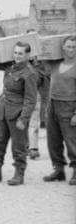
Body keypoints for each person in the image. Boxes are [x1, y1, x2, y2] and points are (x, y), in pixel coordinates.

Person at [0, 42, 37, 186]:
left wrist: (24, 119)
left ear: (27, 55)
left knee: (19, 146)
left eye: (21, 53)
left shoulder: (29, 73)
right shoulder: (10, 67)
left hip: (17, 114)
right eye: (16, 53)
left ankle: (19, 174)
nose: (17, 56)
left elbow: (31, 99)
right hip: (2, 111)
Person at [43, 35, 76, 185]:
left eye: (74, 47)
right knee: (53, 140)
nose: (71, 49)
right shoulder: (55, 64)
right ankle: (59, 170)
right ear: (63, 47)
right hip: (53, 105)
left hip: (69, 106)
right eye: (68, 46)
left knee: (72, 141)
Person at [27, 57, 51, 160]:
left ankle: (33, 148)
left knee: (33, 122)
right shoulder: (16, 63)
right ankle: (28, 146)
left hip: (34, 95)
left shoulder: (43, 65)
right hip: (19, 96)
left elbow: (45, 84)